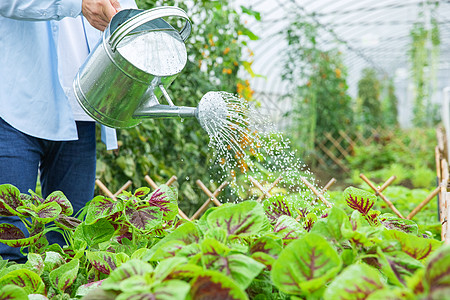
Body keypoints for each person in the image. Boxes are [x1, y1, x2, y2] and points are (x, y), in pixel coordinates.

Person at [0, 0, 137, 263]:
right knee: (9, 245)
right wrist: (79, 3)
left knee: (70, 248)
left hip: (80, 111)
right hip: (15, 104)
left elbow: (125, 11)